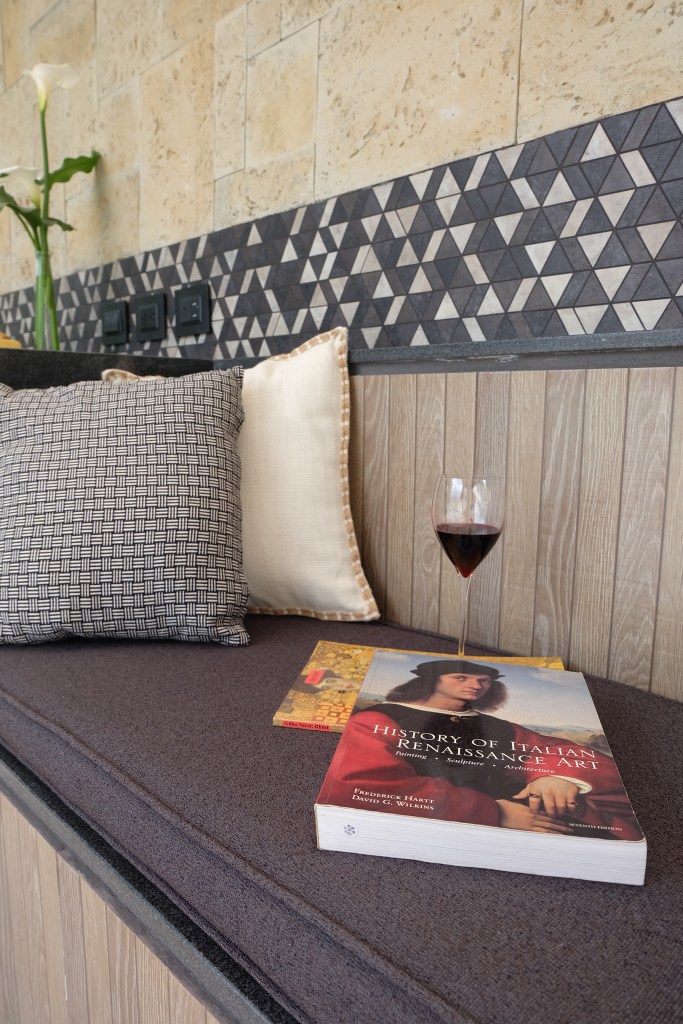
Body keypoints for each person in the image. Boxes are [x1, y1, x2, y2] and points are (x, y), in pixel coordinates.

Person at [324, 659, 641, 838]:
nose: (476, 685)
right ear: (432, 680)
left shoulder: (501, 727)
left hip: (549, 820)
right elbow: (363, 783)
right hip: (461, 826)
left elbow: (562, 753)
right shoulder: (379, 719)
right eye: (461, 676)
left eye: (484, 680)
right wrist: (495, 812)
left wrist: (553, 777)